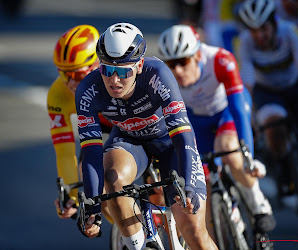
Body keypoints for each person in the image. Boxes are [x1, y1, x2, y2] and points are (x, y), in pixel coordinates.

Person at [75, 22, 218, 250]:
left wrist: (189, 183)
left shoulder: (158, 75)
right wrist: (92, 206)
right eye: (107, 69)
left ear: (140, 65)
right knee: (112, 177)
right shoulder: (88, 90)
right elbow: (91, 151)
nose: (114, 80)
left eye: (123, 71)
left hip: (170, 143)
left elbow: (183, 135)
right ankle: (137, 245)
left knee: (194, 234)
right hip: (129, 143)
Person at [158, 24, 276, 234]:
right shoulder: (164, 78)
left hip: (226, 112)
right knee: (203, 188)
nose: (177, 70)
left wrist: (248, 155)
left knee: (227, 147)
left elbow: (238, 109)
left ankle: (258, 203)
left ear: (197, 55)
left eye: (182, 61)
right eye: (171, 64)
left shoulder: (220, 60)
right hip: (197, 121)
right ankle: (228, 222)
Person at [47, 24, 112, 220]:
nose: (71, 83)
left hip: (130, 124)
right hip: (99, 127)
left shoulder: (114, 80)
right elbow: (65, 153)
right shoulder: (57, 95)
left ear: (97, 64)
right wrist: (73, 197)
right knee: (90, 174)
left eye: (77, 74)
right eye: (64, 73)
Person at [238, 0, 298, 196]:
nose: (259, 36)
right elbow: (247, 86)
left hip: (295, 85)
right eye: (253, 30)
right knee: (273, 129)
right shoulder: (245, 42)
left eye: (263, 28)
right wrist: (250, 119)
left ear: (274, 23)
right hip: (268, 92)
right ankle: (286, 170)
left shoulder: (289, 32)